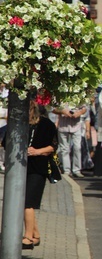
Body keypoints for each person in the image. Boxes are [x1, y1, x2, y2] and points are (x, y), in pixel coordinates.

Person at [21, 101, 58, 249]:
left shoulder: (46, 124)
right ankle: (35, 235)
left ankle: (28, 237)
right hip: (22, 168)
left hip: (38, 168)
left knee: (28, 203)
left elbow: (53, 146)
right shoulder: (21, 124)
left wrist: (37, 151)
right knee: (23, 202)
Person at [53, 102, 88, 178]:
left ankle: (77, 170)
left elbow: (84, 108)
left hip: (76, 125)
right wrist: (62, 111)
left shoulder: (79, 95)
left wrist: (79, 113)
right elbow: (53, 109)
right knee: (64, 149)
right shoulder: (60, 96)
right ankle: (66, 170)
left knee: (77, 147)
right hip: (63, 125)